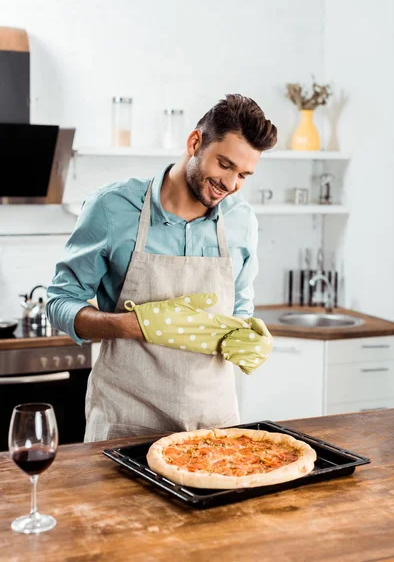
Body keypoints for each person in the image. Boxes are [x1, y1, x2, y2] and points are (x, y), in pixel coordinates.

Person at [46, 93, 278, 442]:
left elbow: (240, 305)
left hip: (213, 427)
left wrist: (249, 334)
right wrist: (132, 326)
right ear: (195, 141)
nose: (230, 185)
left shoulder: (242, 221)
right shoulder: (113, 208)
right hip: (126, 423)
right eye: (225, 165)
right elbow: (59, 302)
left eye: (244, 175)